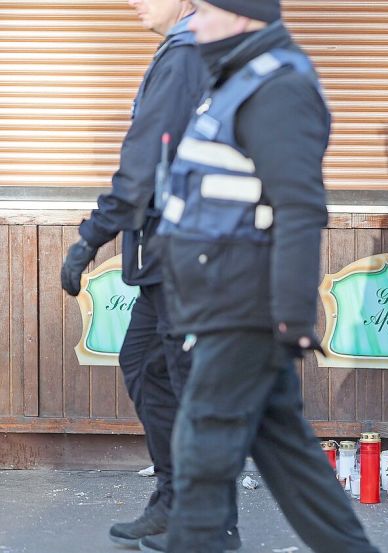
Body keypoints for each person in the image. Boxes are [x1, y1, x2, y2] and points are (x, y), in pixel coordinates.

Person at [154, 1, 380, 551]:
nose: (193, 21)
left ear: (241, 14)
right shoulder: (236, 79)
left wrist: (291, 314)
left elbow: (300, 207)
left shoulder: (279, 87)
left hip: (245, 301)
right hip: (222, 294)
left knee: (202, 447)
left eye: (203, 9)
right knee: (288, 455)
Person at [58, 1, 240, 550]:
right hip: (170, 256)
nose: (133, 1)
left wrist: (93, 235)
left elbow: (143, 161)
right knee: (145, 365)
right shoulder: (188, 50)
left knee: (192, 388)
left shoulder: (188, 54)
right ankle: (173, 499)